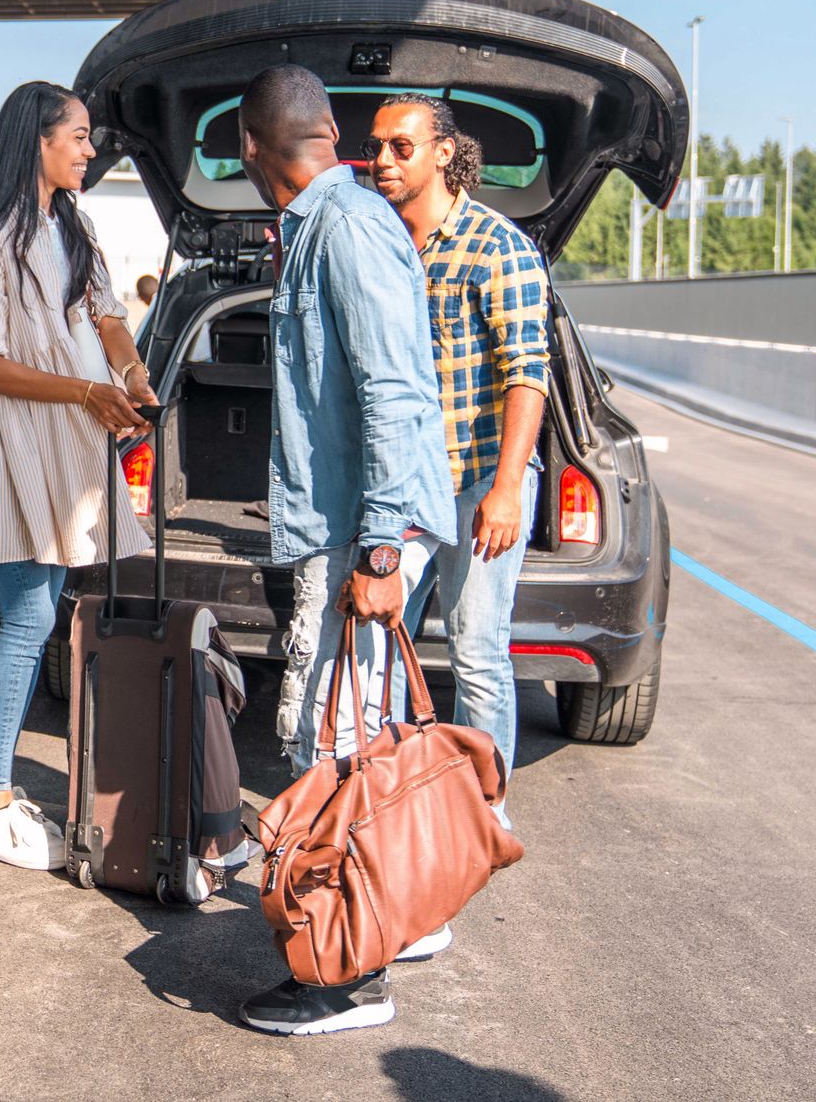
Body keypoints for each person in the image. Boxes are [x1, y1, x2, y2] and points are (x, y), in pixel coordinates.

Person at [228, 65, 456, 1037]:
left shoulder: (345, 227)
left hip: (369, 525)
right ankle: (398, 915)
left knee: (337, 749)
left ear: (250, 149)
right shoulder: (332, 223)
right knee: (363, 740)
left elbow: (393, 387)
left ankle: (346, 976)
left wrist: (378, 550)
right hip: (367, 519)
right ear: (327, 132)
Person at [0, 81, 154, 872]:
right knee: (25, 621)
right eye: (78, 136)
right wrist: (88, 390)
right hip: (7, 447)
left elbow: (107, 313)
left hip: (57, 445)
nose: (89, 150)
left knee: (36, 617)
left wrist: (130, 369)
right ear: (37, 140)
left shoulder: (68, 224)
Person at [368, 94, 548, 825]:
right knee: (375, 649)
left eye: (399, 147)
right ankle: (387, 796)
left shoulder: (494, 245)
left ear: (442, 152)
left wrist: (506, 489)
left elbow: (526, 373)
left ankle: (483, 809)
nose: (380, 160)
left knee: (475, 654)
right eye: (375, 146)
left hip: (477, 483)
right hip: (403, 488)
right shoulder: (376, 242)